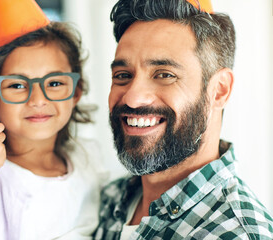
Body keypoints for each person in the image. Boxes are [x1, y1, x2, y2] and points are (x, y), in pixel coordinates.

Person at [94, 0, 273, 239]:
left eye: (165, 75)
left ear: (219, 90)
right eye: (123, 75)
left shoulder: (237, 233)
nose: (133, 98)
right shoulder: (109, 198)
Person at [0, 0, 106, 239]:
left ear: (76, 92)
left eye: (55, 83)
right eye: (17, 85)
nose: (38, 99)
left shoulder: (87, 160)